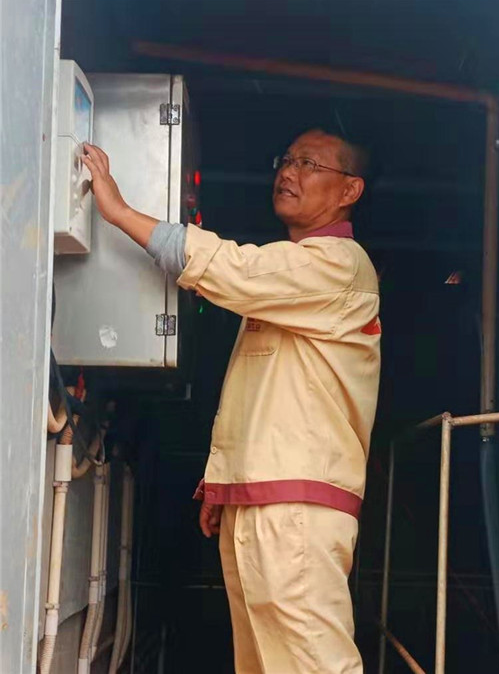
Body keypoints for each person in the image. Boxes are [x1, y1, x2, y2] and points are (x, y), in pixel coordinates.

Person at [83, 127, 381, 674]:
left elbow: (235, 269)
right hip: (265, 498)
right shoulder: (294, 277)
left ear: (349, 190)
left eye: (310, 164)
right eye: (286, 159)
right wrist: (226, 483)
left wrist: (120, 213)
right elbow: (262, 394)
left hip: (295, 508)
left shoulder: (339, 263)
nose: (288, 171)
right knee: (265, 663)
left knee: (314, 664)